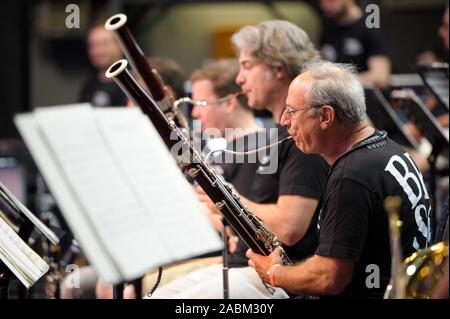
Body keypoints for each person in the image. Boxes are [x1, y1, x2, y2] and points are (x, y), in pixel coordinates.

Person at [149, 20, 329, 299]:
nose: (239, 80)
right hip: (245, 264)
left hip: (282, 275)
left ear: (276, 69)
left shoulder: (301, 136)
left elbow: (290, 229)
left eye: (246, 66)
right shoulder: (276, 134)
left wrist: (228, 199)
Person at [247, 60, 432, 298]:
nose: (284, 121)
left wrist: (273, 273)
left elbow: (328, 278)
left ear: (325, 116)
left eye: (292, 111)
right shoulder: (388, 148)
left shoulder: (352, 176)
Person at [319, 0, 391, 89]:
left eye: (331, 1)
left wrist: (340, 82)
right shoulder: (328, 27)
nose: (325, 6)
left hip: (363, 96)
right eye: (322, 1)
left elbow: (380, 77)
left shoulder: (369, 26)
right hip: (335, 96)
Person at [79, 24, 128, 107]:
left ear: (119, 45)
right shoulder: (89, 85)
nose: (97, 51)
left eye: (103, 44)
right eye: (92, 45)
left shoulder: (134, 83)